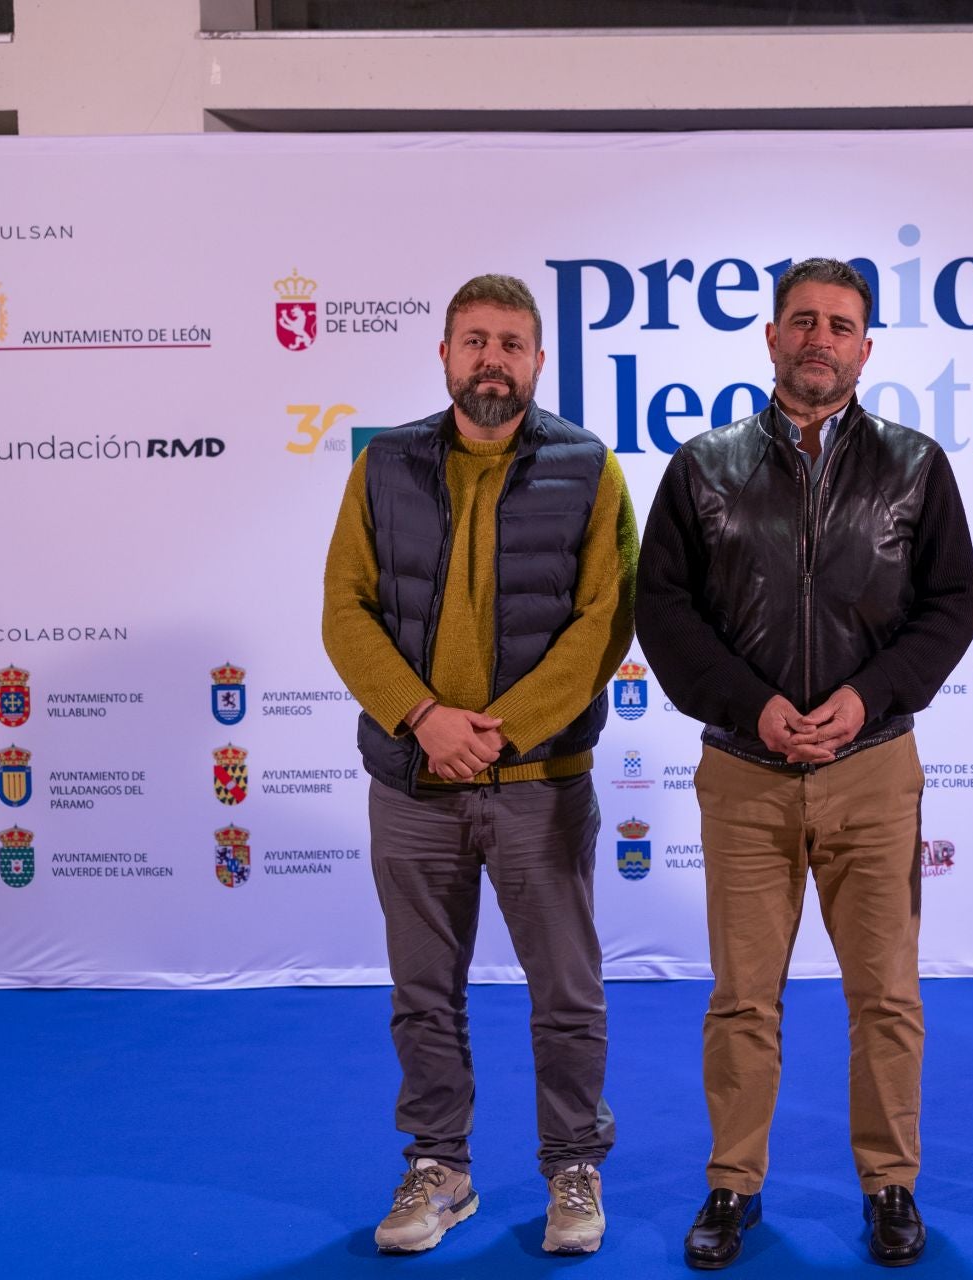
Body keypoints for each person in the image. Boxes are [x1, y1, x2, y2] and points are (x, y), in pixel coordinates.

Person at [637, 257, 973, 1269]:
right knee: (744, 995)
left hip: (874, 764)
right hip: (744, 766)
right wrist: (758, 705)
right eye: (802, 321)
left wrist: (865, 695)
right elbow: (663, 609)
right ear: (772, 337)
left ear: (865, 347)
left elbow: (951, 604)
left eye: (840, 324)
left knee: (886, 994)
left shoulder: (916, 465)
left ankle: (892, 1184)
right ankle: (733, 1183)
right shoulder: (703, 465)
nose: (819, 338)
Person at [322, 273, 636, 1256]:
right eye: (474, 340)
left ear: (539, 361)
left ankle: (573, 1164)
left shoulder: (590, 467)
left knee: (566, 989)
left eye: (511, 342)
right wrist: (423, 717)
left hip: (537, 782)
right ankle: (440, 1165)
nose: (491, 358)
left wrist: (496, 730)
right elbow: (345, 609)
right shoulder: (383, 467)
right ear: (446, 354)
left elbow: (606, 618)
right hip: (414, 780)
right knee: (422, 988)